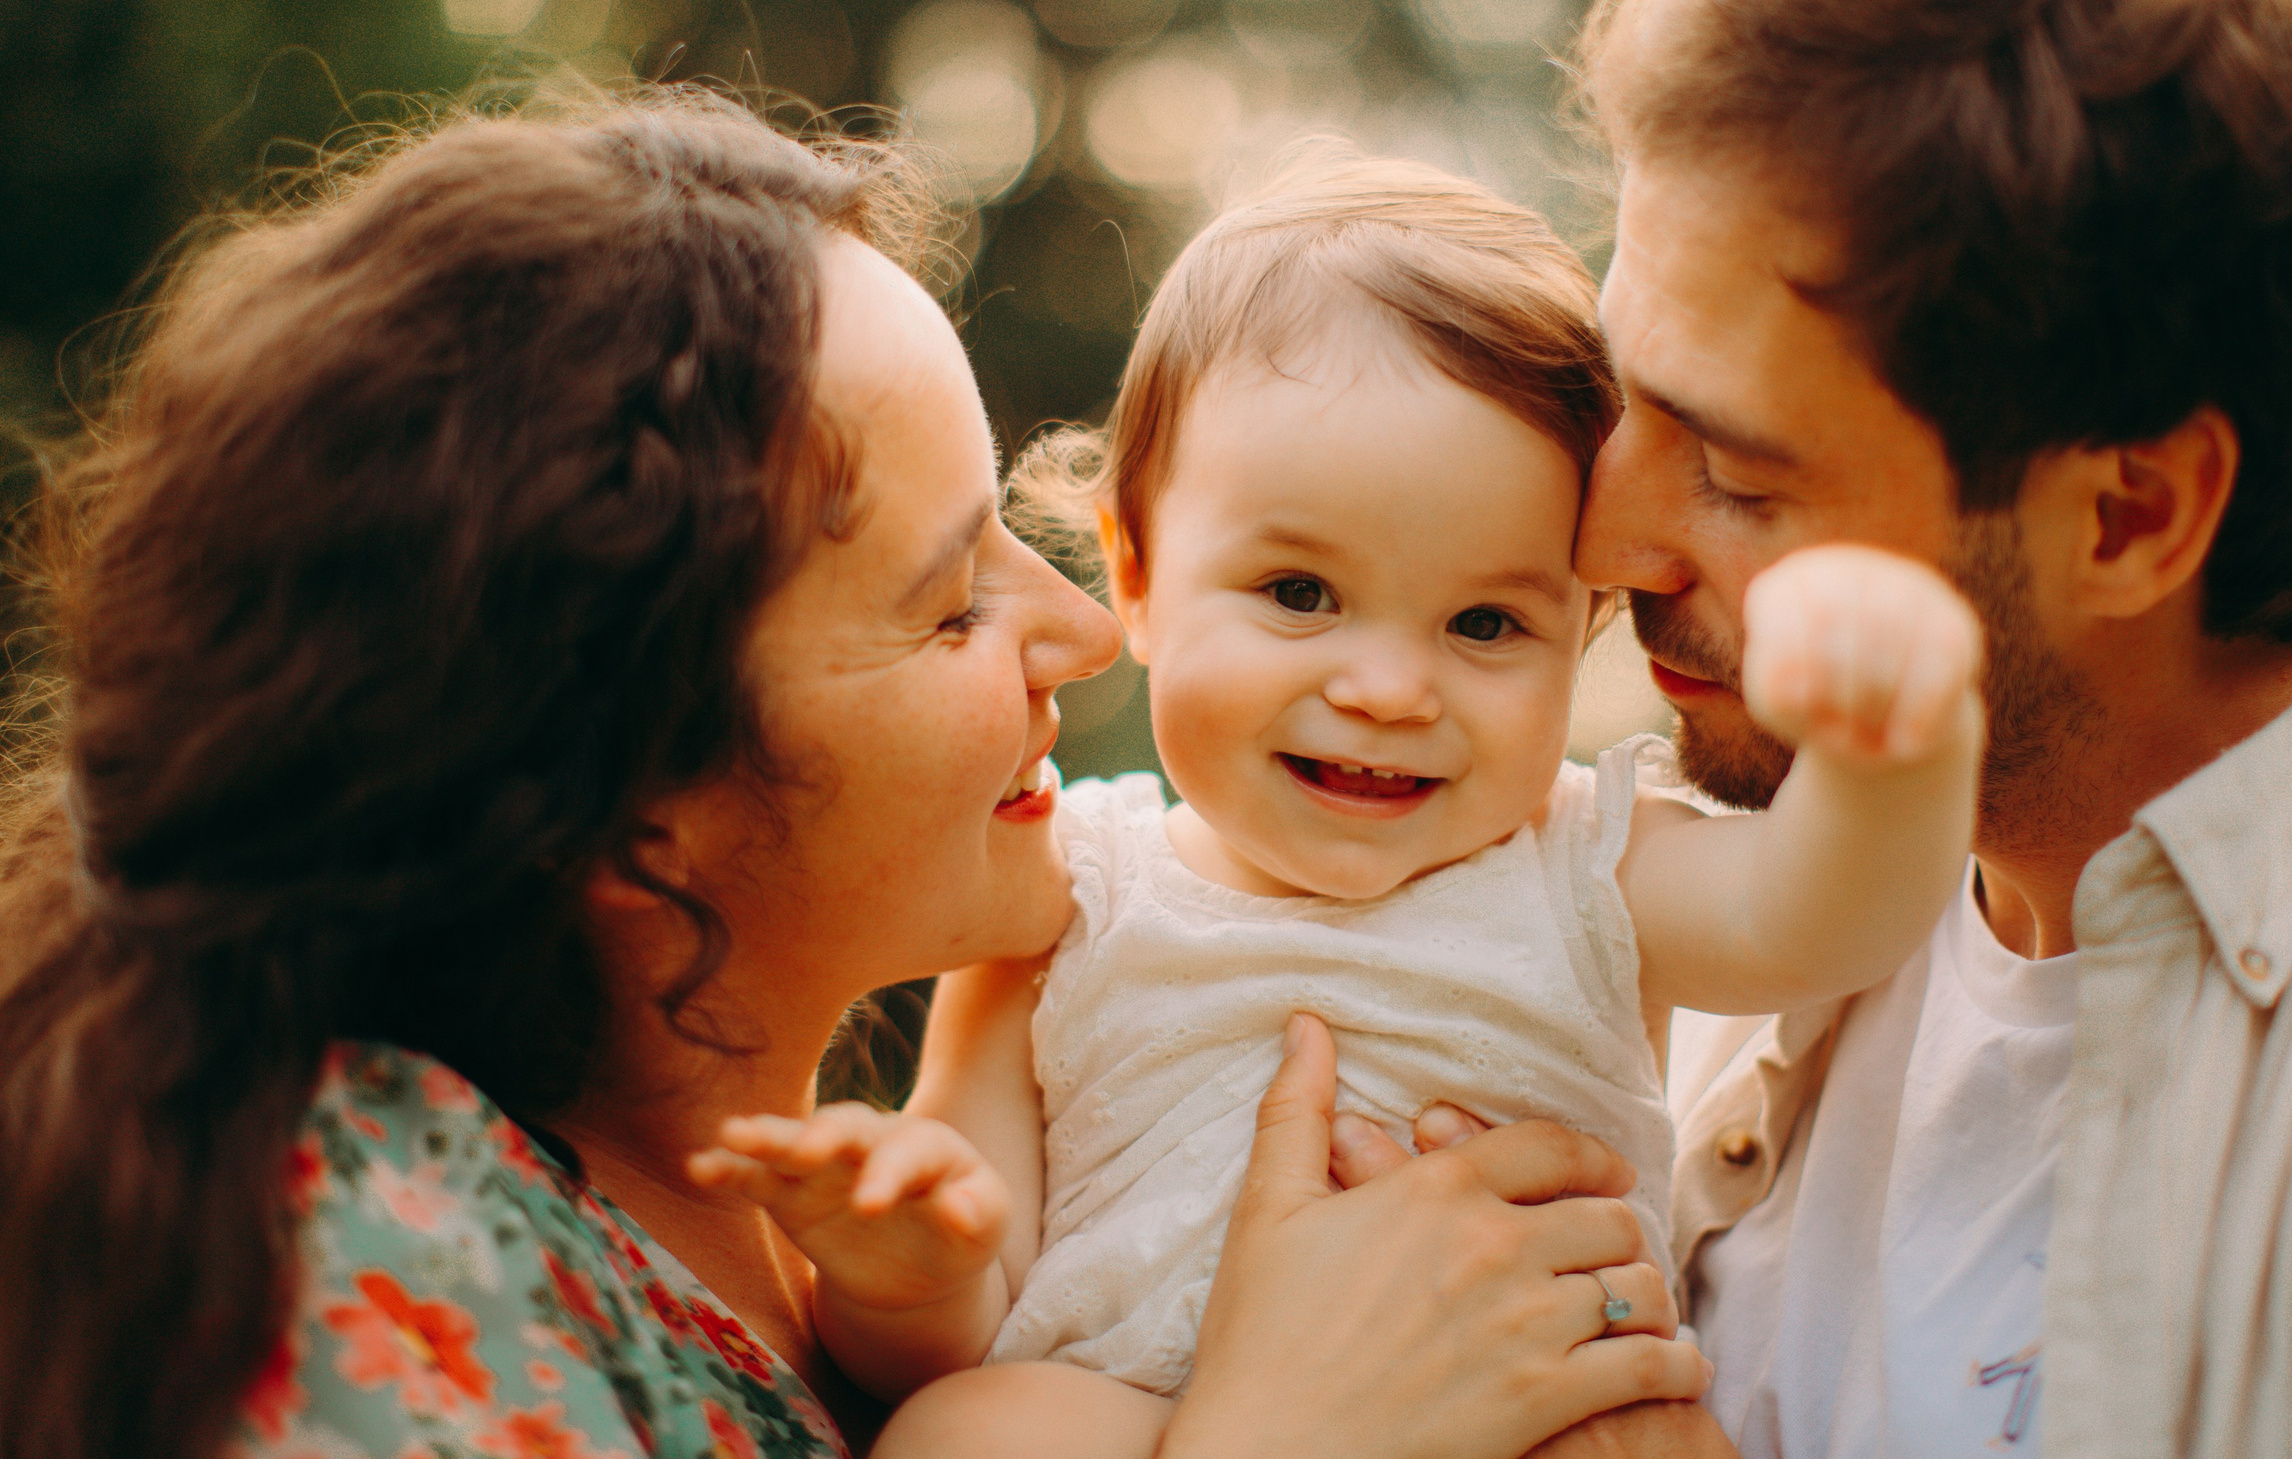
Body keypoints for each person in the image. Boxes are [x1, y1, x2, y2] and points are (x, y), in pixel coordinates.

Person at [0, 92, 1705, 1459]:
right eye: (952, 597)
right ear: (636, 783)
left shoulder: (880, 1214)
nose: (1082, 634)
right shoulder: (363, 1231)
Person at [691, 149, 1989, 1457]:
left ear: (1582, 631)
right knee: (971, 1426)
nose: (1385, 688)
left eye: (1485, 622)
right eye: (1301, 594)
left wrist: (1899, 740)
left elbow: (1825, 915)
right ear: (1136, 573)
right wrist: (910, 1270)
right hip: (1147, 1417)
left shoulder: (1586, 868)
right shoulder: (1065, 901)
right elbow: (966, 1321)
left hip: (1527, 1414)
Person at [1543, 0, 2292, 1459]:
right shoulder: (1711, 938)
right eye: (1618, 404)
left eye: (1735, 469)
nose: (1606, 536)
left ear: (2131, 516)